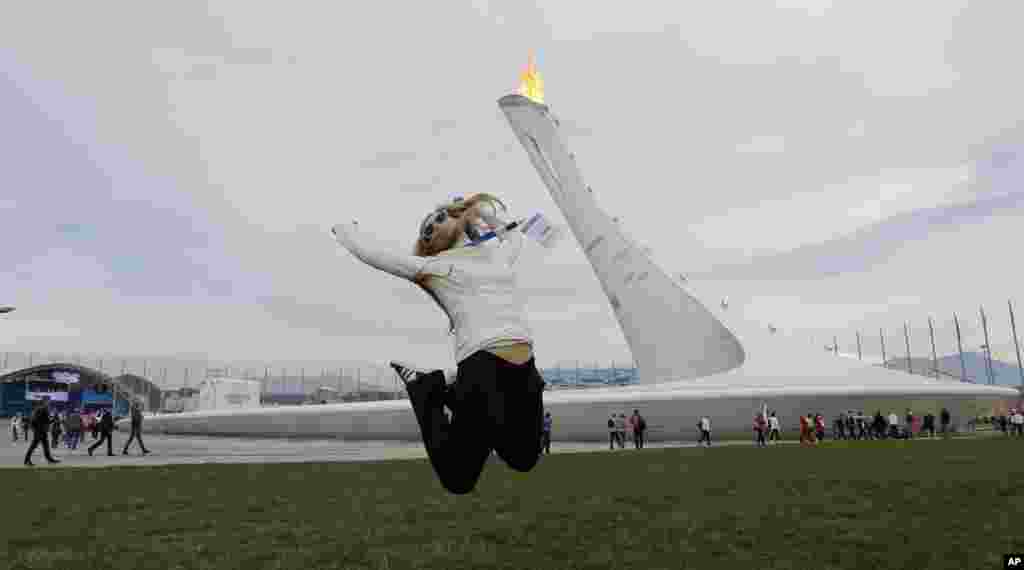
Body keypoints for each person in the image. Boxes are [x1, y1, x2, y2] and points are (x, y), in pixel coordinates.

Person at [333, 194, 545, 495]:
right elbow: (375, 255)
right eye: (426, 231)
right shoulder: (436, 267)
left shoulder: (496, 255)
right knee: (458, 480)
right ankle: (427, 389)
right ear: (430, 246)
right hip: (483, 366)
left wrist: (483, 212)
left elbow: (514, 236)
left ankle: (454, 395)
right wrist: (345, 228)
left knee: (524, 459)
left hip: (525, 366)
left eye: (438, 217)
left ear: (459, 218)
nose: (431, 226)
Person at [24, 399, 60, 466]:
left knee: (45, 446)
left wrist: (34, 428)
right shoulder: (43, 409)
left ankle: (49, 459)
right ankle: (26, 460)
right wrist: (54, 419)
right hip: (40, 431)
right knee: (34, 446)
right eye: (48, 403)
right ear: (45, 403)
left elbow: (36, 420)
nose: (49, 404)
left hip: (40, 431)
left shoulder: (38, 409)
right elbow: (46, 421)